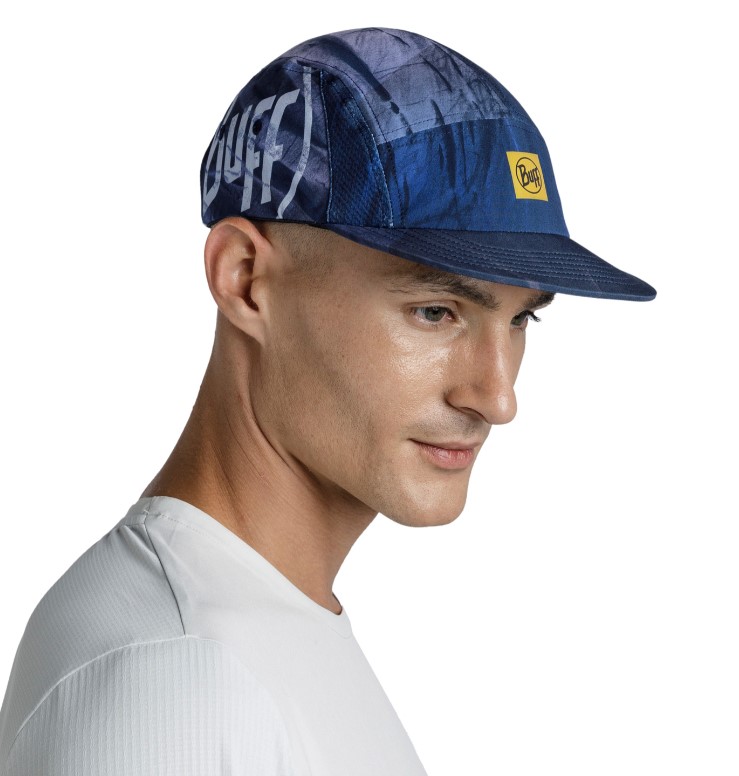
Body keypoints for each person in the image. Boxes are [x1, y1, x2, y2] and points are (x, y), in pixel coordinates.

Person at [0, 27, 655, 775]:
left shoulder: (248, 628)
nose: (497, 397)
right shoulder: (176, 674)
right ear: (246, 280)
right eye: (435, 311)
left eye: (520, 320)